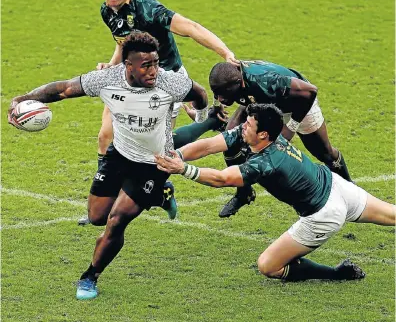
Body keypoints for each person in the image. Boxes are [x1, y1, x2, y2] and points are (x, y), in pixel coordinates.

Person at [8, 32, 209, 300]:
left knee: (116, 221)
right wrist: (22, 100)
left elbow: (200, 93)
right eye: (146, 65)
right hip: (119, 156)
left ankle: (90, 276)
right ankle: (162, 196)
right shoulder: (108, 80)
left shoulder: (170, 82)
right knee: (97, 218)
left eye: (156, 63)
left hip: (154, 164)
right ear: (128, 66)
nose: (154, 71)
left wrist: (201, 116)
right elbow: (64, 89)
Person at [155, 103, 395, 282]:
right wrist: (180, 155)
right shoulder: (263, 135)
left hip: (323, 214)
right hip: (337, 186)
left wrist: (184, 169)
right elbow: (209, 145)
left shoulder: (265, 162)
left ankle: (336, 274)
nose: (243, 127)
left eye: (248, 125)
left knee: (268, 266)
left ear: (263, 135)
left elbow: (222, 179)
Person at [96, 0, 238, 169]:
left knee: (159, 151)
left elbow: (191, 28)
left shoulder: (148, 9)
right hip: (132, 76)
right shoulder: (107, 10)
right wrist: (111, 64)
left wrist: (225, 53)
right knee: (105, 136)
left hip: (165, 77)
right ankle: (104, 185)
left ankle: (209, 121)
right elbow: (122, 41)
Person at [208, 60, 352, 218]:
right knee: (230, 140)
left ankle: (351, 195)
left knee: (325, 153)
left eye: (223, 94)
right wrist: (216, 105)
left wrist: (291, 126)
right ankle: (244, 193)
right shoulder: (232, 75)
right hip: (262, 101)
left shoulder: (266, 81)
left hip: (296, 102)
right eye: (216, 93)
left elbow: (310, 91)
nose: (220, 98)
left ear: (238, 82)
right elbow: (222, 90)